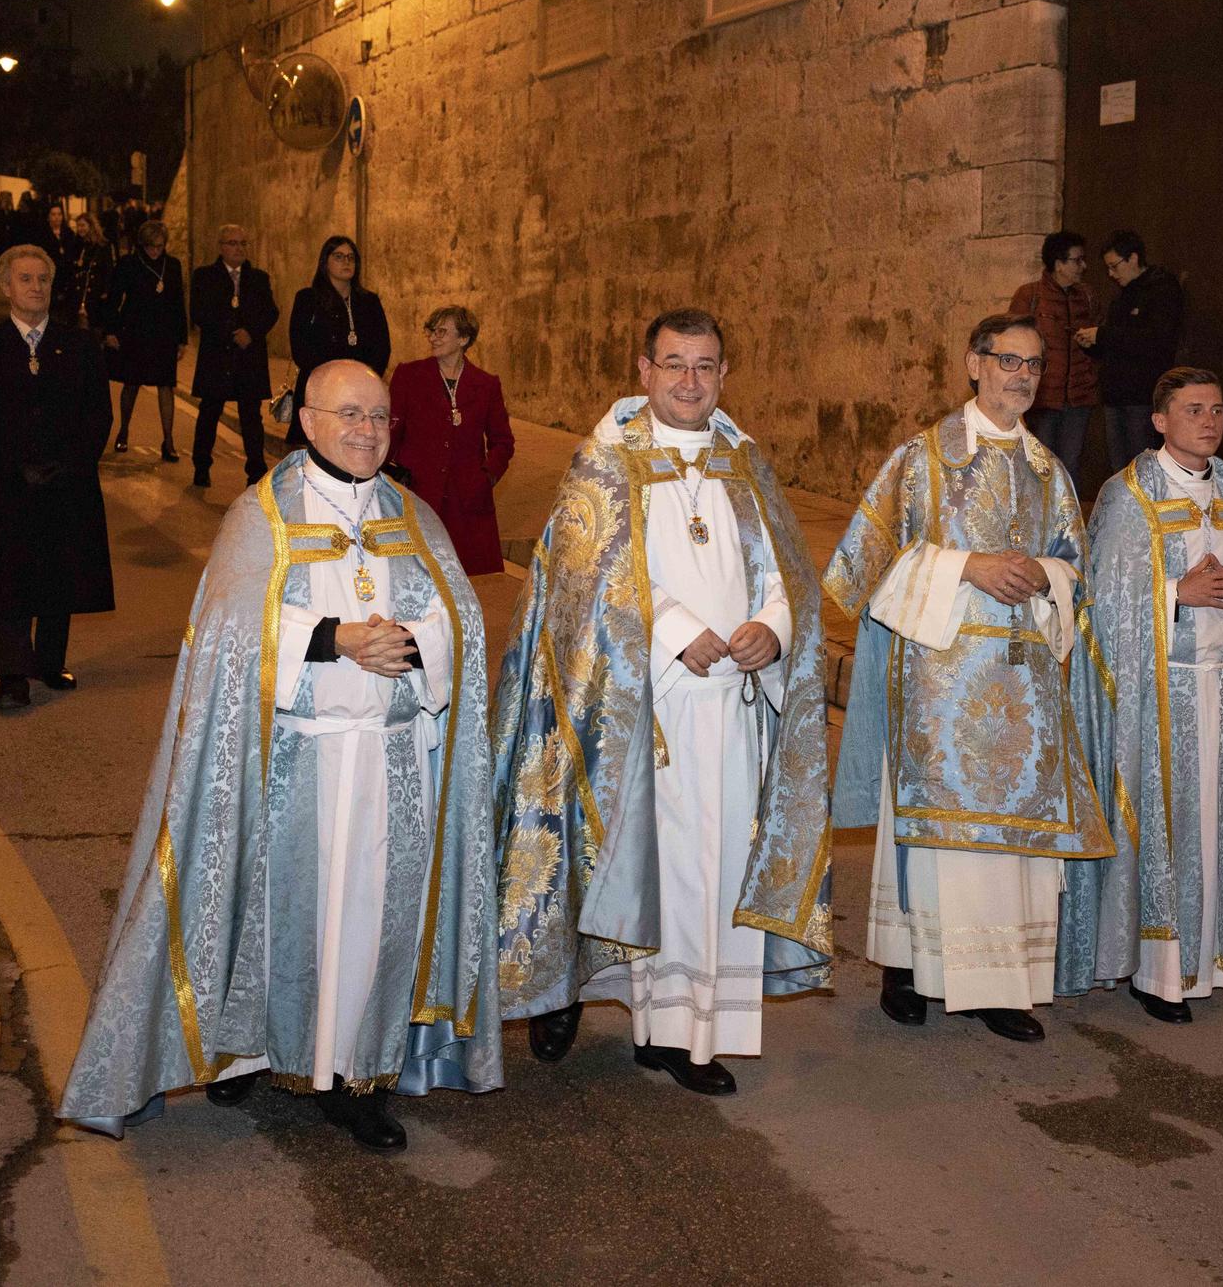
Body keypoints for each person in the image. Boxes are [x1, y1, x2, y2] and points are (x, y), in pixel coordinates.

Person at [58, 359, 501, 1152]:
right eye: (348, 414)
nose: (366, 431)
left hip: (392, 760)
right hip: (293, 765)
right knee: (274, 918)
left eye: (379, 417)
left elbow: (458, 622)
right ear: (305, 419)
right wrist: (335, 640)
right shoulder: (262, 515)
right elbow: (229, 636)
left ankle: (355, 1076)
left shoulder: (413, 513)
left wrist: (410, 642)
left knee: (369, 923)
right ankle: (253, 1047)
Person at [493, 308, 833, 1096]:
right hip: (639, 711)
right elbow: (585, 581)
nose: (689, 381)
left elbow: (789, 573)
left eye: (705, 366)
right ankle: (584, 995)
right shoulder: (604, 464)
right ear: (642, 371)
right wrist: (675, 629)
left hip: (733, 705)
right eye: (674, 364)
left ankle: (682, 1028)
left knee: (713, 868)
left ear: (724, 375)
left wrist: (773, 631)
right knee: (647, 866)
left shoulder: (745, 462)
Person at [823, 312, 1113, 1044]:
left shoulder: (1050, 471)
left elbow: (1081, 573)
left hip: (1021, 687)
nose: (1020, 375)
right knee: (936, 839)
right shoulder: (921, 460)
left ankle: (997, 984)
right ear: (973, 364)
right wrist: (966, 566)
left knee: (1008, 847)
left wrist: (1043, 575)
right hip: (938, 686)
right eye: (1007, 361)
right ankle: (908, 967)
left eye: (1033, 365)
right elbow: (861, 565)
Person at [1057, 367, 1223, 1021]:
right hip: (1158, 699)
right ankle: (1158, 972)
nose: (1210, 421)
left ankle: (1215, 954)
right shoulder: (1127, 494)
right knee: (1169, 832)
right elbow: (1101, 606)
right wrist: (1176, 594)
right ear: (1160, 420)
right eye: (1194, 409)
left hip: (1221, 687)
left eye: (1218, 409)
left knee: (1221, 823)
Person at [0, 246, 115, 713]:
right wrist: (15, 465)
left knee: (59, 569)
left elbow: (97, 414)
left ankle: (50, 660)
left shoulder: (81, 345)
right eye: (25, 279)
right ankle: (12, 674)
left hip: (66, 479)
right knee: (11, 575)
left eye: (43, 279)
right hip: (6, 483)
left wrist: (68, 463)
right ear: (6, 287)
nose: (35, 287)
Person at [386, 306, 513, 574]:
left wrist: (486, 477)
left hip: (467, 500)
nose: (433, 337)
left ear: (463, 339)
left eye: (442, 331)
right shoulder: (409, 375)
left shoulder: (486, 384)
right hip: (419, 493)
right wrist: (382, 474)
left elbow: (503, 441)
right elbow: (391, 430)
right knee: (418, 573)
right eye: (431, 331)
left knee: (469, 578)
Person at [1078, 231, 1183, 473]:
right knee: (1120, 471)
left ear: (1133, 258)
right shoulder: (1122, 297)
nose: (1111, 274)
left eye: (1114, 266)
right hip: (1115, 395)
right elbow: (1117, 343)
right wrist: (1093, 344)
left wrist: (1103, 335)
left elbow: (1154, 340)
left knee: (1143, 468)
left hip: (1142, 396)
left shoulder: (1161, 289)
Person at [188, 224, 279, 487]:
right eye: (232, 243)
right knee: (209, 412)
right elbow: (200, 312)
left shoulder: (258, 278)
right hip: (217, 356)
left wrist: (251, 332)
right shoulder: (205, 276)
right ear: (221, 247)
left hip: (248, 358)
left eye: (242, 243)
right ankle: (202, 465)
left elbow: (270, 312)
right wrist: (230, 332)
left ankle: (256, 470)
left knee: (251, 416)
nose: (238, 249)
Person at [1008, 231, 1098, 485]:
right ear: (1059, 264)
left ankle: (1066, 522)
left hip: (1079, 397)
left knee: (1070, 466)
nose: (1084, 266)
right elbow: (1013, 342)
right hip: (1043, 398)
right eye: (1077, 260)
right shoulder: (1030, 296)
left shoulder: (1087, 297)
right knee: (1039, 465)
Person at [285, 235, 389, 445]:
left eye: (351, 257)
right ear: (325, 262)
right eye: (339, 257)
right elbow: (300, 348)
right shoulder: (308, 299)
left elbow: (382, 346)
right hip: (322, 387)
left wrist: (365, 378)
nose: (346, 262)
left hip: (360, 388)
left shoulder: (369, 301)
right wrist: (332, 379)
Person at [99, 219, 187, 460]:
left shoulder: (172, 266)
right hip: (135, 332)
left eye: (159, 246)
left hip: (164, 334)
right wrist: (111, 331)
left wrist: (182, 338)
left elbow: (178, 302)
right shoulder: (129, 264)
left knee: (166, 386)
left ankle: (168, 441)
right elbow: (114, 299)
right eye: (151, 246)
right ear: (142, 245)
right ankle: (124, 430)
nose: (155, 251)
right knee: (131, 384)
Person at [34, 204, 84, 327]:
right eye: (53, 214)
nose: (57, 217)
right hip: (50, 277)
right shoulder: (42, 234)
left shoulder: (68, 233)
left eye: (59, 214)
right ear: (48, 217)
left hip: (67, 276)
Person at [68, 212, 114, 330]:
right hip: (78, 294)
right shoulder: (76, 244)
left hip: (95, 293)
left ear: (91, 225)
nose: (80, 229)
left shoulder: (103, 246)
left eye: (83, 225)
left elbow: (108, 269)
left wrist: (106, 290)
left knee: (92, 328)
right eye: (78, 226)